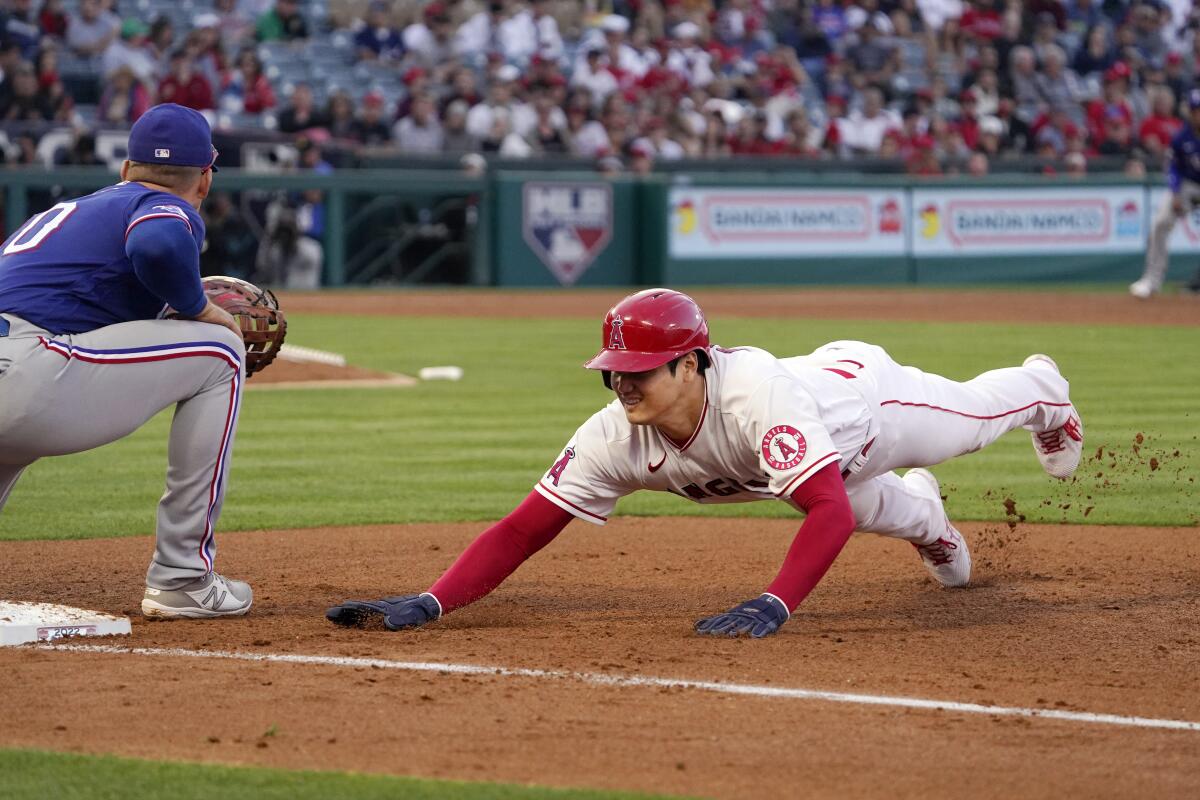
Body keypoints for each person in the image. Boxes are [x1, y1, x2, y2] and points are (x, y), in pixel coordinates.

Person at [327, 288, 1084, 638]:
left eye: (641, 370)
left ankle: (1045, 388)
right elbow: (524, 531)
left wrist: (775, 602)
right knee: (852, 503)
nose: (623, 382)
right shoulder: (612, 434)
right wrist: (433, 601)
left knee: (975, 423)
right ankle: (931, 523)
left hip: (869, 409)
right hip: (804, 462)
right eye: (614, 369)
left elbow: (824, 509)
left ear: (692, 365)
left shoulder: (755, 397)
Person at [0, 104, 252, 620]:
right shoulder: (164, 206)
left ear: (124, 168)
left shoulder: (67, 213)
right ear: (204, 179)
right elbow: (157, 244)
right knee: (222, 352)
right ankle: (183, 576)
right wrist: (197, 309)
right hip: (26, 371)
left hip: (15, 358)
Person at [1131, 88, 1200, 299]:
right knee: (1160, 224)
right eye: (1196, 109)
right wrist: (1176, 192)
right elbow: (1173, 167)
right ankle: (1151, 281)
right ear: (1189, 111)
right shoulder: (1181, 137)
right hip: (1188, 185)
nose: (1198, 114)